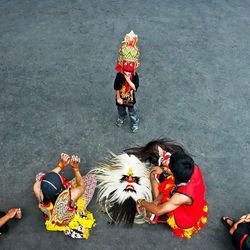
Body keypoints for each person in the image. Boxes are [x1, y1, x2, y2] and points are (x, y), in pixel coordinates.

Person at [130, 139, 208, 238]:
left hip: (185, 214)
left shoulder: (180, 196)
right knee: (155, 175)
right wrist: (163, 169)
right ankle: (155, 203)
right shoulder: (192, 168)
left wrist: (141, 201)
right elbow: (173, 172)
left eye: (169, 165)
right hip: (190, 197)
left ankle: (154, 215)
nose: (166, 164)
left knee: (155, 211)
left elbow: (158, 210)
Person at [33, 153, 96, 239]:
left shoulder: (37, 188)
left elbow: (45, 178)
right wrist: (75, 169)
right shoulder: (71, 196)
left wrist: (61, 165)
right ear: (62, 188)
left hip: (53, 215)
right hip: (67, 214)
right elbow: (82, 186)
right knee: (91, 179)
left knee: (40, 176)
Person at [114, 30, 140, 133]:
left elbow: (134, 88)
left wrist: (128, 79)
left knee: (131, 111)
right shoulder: (120, 74)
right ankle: (122, 117)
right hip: (121, 96)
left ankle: (134, 122)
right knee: (120, 109)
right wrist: (119, 97)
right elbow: (116, 87)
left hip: (130, 97)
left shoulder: (134, 75)